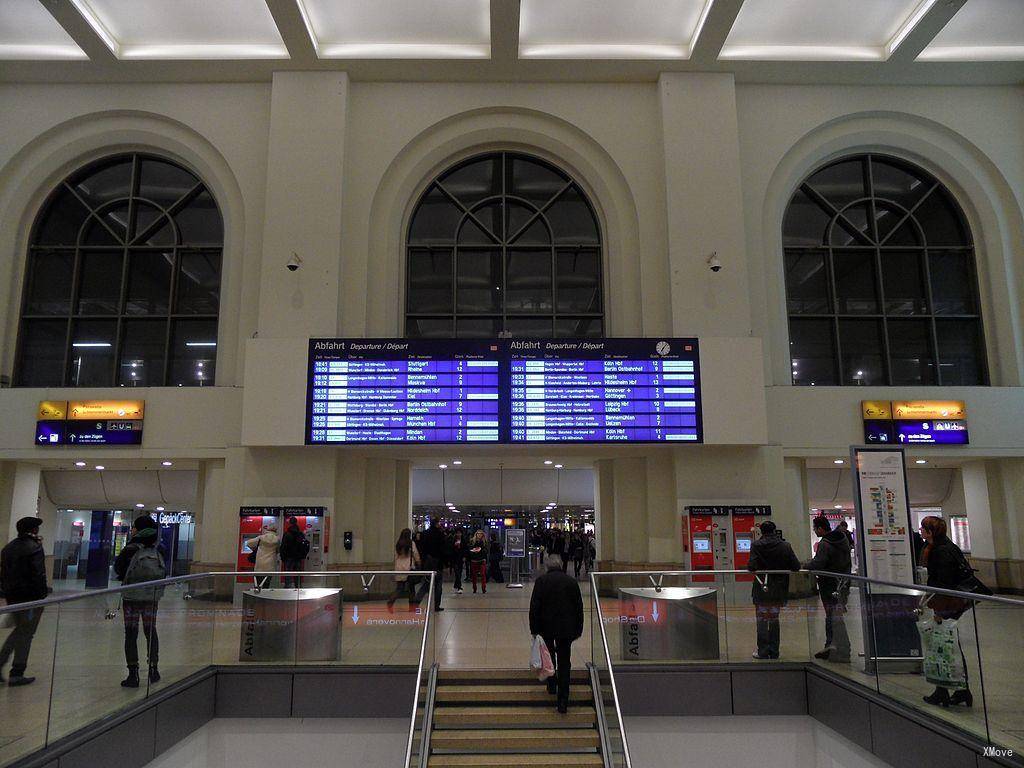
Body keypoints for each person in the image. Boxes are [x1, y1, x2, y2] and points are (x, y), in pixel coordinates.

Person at [920, 515, 974, 708]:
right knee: (949, 645)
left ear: (930, 531)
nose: (920, 531)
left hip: (948, 603)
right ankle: (961, 690)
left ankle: (943, 691)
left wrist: (939, 610)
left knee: (942, 646)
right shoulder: (948, 547)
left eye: (923, 528)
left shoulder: (940, 552)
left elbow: (943, 583)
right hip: (953, 602)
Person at [114, 515, 166, 688]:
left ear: (139, 529)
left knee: (131, 633)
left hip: (131, 598)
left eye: (135, 527)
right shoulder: (159, 549)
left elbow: (118, 569)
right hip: (151, 598)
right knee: (151, 631)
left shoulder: (130, 549)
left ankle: (133, 673)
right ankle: (153, 669)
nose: (133, 530)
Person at [529, 554, 584, 714]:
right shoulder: (571, 582)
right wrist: (578, 629)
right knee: (565, 661)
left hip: (546, 627)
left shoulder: (541, 582)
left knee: (549, 656)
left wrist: (534, 629)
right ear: (561, 565)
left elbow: (535, 607)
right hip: (566, 628)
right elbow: (578, 608)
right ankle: (563, 700)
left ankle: (552, 684)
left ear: (547, 566)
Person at [0, 516, 48, 686]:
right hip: (31, 600)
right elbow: (38, 574)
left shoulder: (8, 548)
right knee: (25, 634)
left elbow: (3, 575)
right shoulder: (34, 548)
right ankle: (17, 672)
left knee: (20, 631)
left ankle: (4, 664)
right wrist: (42, 595)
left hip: (13, 598)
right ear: (33, 530)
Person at [747, 521, 801, 659]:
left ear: (762, 532)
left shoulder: (756, 545)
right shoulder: (785, 546)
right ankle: (775, 651)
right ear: (774, 531)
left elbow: (752, 566)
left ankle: (763, 651)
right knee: (774, 619)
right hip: (779, 588)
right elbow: (795, 566)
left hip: (762, 587)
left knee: (762, 619)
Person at [803, 516, 852, 663]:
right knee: (835, 615)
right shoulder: (842, 539)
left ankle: (840, 649)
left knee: (833, 616)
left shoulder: (825, 543)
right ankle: (831, 646)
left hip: (829, 585)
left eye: (815, 529)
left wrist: (806, 566)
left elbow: (819, 563)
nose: (814, 531)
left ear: (820, 528)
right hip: (842, 583)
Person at [414, 524, 446, 611]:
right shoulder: (440, 535)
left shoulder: (425, 534)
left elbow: (422, 549)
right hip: (438, 563)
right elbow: (444, 549)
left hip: (428, 563)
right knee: (438, 585)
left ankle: (416, 602)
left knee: (426, 584)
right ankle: (436, 605)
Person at [387, 529, 420, 612]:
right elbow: (415, 554)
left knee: (399, 588)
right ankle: (412, 607)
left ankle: (391, 601)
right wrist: (418, 562)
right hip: (408, 568)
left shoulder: (398, 544)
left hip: (399, 567)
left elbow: (395, 556)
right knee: (411, 589)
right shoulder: (411, 543)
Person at [278, 517, 310, 588]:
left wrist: (283, 557)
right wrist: (303, 556)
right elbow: (305, 545)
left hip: (288, 558)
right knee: (297, 575)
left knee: (288, 575)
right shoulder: (300, 534)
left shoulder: (287, 534)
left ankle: (288, 589)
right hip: (298, 558)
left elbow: (283, 547)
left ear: (290, 523)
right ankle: (297, 589)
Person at [247, 524, 280, 589]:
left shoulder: (261, 538)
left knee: (258, 584)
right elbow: (278, 550)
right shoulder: (277, 539)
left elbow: (248, 543)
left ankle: (257, 596)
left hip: (260, 564)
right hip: (270, 565)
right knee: (266, 585)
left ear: (267, 529)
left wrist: (254, 548)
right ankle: (264, 596)